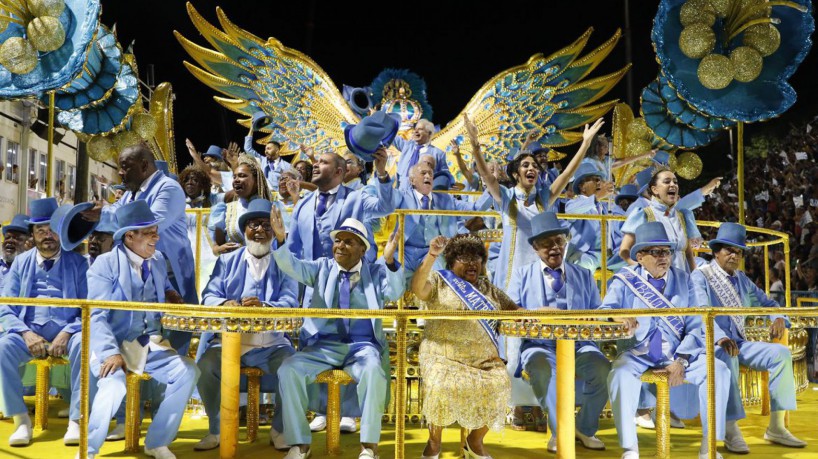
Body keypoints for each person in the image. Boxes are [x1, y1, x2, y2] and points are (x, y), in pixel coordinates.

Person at [469, 113, 604, 414]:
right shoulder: (506, 199)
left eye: (534, 165)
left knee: (542, 338)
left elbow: (567, 174)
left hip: (544, 275)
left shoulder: (545, 197)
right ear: (516, 172)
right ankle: (513, 404)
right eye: (525, 165)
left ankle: (543, 404)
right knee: (512, 342)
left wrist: (585, 144)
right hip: (511, 277)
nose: (532, 168)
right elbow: (487, 176)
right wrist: (476, 147)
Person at [271, 214, 404, 459]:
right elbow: (291, 265)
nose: (340, 246)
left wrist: (390, 262)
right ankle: (299, 443)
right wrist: (281, 239)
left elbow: (395, 291)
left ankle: (369, 446)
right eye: (337, 240)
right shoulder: (321, 267)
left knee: (374, 371)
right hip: (323, 347)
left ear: (363, 249)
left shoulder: (375, 272)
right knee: (288, 369)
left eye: (348, 242)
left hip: (363, 348)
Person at [602, 222, 730, 459]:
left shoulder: (686, 279)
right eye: (656, 252)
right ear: (640, 257)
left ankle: (709, 446)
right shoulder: (623, 279)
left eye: (667, 252)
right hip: (638, 352)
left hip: (678, 353)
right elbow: (606, 308)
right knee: (619, 374)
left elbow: (696, 325)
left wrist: (681, 360)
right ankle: (630, 449)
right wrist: (618, 316)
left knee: (719, 370)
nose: (664, 258)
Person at [84, 200, 197, 459]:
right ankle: (87, 449)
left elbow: (163, 286)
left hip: (150, 344)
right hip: (115, 343)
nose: (156, 237)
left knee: (188, 371)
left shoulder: (157, 260)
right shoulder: (104, 264)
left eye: (156, 230)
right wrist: (110, 353)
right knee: (114, 387)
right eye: (149, 232)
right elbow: (96, 315)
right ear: (129, 235)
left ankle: (157, 442)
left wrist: (169, 292)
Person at [691, 222, 806, 452]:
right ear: (716, 252)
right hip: (712, 343)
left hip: (740, 342)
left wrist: (779, 317)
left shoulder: (742, 280)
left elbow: (769, 304)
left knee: (781, 353)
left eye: (738, 251)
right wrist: (721, 338)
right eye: (729, 250)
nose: (734, 255)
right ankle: (731, 427)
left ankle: (776, 426)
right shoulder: (701, 276)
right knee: (728, 352)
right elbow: (701, 312)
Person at [195, 199, 299, 451]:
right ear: (244, 231)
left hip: (272, 344)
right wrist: (225, 304)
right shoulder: (226, 262)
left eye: (266, 225)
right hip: (230, 343)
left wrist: (265, 307)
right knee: (205, 366)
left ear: (274, 231)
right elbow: (208, 295)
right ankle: (217, 429)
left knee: (293, 368)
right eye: (254, 224)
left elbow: (291, 301)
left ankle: (280, 429)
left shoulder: (286, 263)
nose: (260, 230)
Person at [411, 234, 521, 459]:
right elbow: (418, 288)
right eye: (464, 257)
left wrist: (544, 312)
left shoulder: (488, 288)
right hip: (442, 355)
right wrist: (432, 256)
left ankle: (475, 440)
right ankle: (434, 444)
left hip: (484, 361)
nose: (472, 263)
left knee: (501, 384)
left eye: (477, 258)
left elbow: (515, 310)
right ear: (451, 262)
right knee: (441, 385)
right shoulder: (440, 280)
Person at [509, 212, 610, 454]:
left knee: (602, 368)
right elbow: (511, 309)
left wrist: (594, 316)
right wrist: (535, 312)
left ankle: (584, 429)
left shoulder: (584, 275)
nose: (555, 248)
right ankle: (561, 431)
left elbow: (598, 310)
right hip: (539, 345)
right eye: (546, 244)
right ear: (535, 247)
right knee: (542, 370)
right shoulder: (521, 275)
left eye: (559, 241)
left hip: (579, 345)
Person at [0, 198, 88, 447]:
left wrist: (68, 332)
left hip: (68, 331)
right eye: (40, 230)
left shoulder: (79, 263)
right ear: (33, 234)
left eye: (52, 229)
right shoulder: (20, 262)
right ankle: (20, 421)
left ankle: (76, 420)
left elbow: (88, 308)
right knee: (3, 347)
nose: (47, 235)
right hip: (30, 329)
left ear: (60, 231)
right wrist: (25, 333)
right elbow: (5, 306)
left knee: (85, 345)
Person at [87, 143, 197, 309]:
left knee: (176, 325)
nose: (120, 173)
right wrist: (94, 215)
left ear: (144, 165)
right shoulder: (132, 192)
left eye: (125, 167)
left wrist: (103, 215)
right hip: (139, 270)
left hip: (169, 271)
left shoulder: (169, 188)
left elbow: (149, 224)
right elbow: (116, 211)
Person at [391, 161, 489, 278]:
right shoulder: (402, 196)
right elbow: (385, 199)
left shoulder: (446, 199)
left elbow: (474, 208)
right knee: (392, 279)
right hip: (405, 252)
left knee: (438, 280)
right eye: (423, 173)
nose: (428, 176)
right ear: (412, 180)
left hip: (434, 254)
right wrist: (382, 176)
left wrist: (491, 186)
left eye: (430, 174)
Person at [619, 169, 701, 272]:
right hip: (655, 281)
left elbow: (688, 253)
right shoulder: (644, 214)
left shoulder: (681, 216)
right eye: (667, 181)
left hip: (682, 280)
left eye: (675, 182)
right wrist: (641, 270)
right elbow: (624, 250)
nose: (673, 185)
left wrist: (694, 278)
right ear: (655, 189)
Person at [209, 154, 273, 254]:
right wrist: (219, 249)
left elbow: (282, 243)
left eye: (242, 176)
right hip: (235, 266)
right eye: (234, 177)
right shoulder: (224, 210)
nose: (236, 180)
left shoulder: (271, 208)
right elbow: (217, 246)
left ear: (256, 181)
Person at [564, 162, 614, 271]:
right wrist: (597, 197)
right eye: (595, 180)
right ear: (582, 186)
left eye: (599, 180)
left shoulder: (604, 206)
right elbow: (570, 211)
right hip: (584, 254)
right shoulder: (574, 203)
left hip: (608, 255)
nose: (599, 183)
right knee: (582, 265)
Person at [393, 119, 451, 190]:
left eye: (420, 129)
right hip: (402, 189)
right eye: (415, 129)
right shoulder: (407, 146)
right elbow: (392, 136)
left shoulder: (438, 153)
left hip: (423, 192)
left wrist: (451, 183)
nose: (416, 131)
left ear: (429, 133)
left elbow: (445, 173)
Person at [245, 119, 292, 192]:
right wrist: (251, 129)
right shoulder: (261, 160)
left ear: (277, 151)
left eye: (269, 149)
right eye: (265, 149)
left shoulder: (287, 166)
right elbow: (247, 148)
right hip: (263, 196)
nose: (266, 151)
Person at [0, 214, 29, 289]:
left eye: (17, 238)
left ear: (29, 243)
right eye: (7, 237)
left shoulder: (30, 269)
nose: (10, 241)